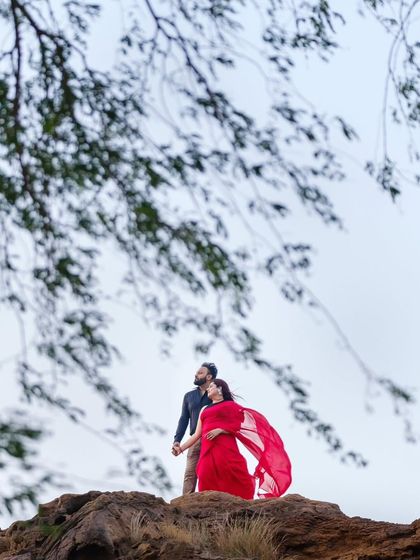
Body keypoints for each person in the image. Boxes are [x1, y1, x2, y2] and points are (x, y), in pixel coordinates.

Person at [174, 378, 292, 499]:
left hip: (225, 448)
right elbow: (196, 434)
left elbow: (238, 424)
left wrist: (221, 430)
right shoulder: (204, 409)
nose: (208, 389)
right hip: (207, 450)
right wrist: (181, 448)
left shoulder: (230, 406)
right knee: (204, 474)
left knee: (234, 475)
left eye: (211, 387)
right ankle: (210, 509)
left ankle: (239, 505)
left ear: (220, 388)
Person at [172, 362, 218, 494]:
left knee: (210, 472)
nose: (196, 375)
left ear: (209, 377)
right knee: (190, 473)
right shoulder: (189, 396)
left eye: (200, 373)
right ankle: (185, 505)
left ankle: (212, 502)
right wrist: (177, 441)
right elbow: (183, 419)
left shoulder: (217, 392)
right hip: (194, 439)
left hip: (213, 438)